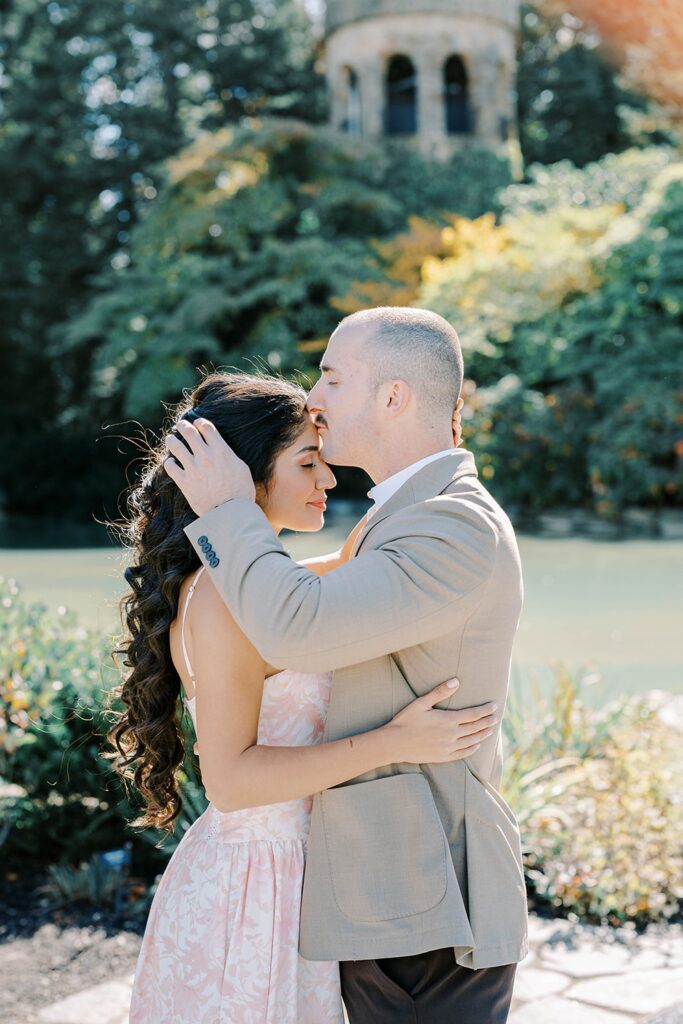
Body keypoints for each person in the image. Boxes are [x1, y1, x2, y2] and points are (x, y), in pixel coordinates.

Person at [164, 307, 529, 1024]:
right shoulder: (395, 520)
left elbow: (300, 626)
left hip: (425, 901)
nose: (316, 399)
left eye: (331, 376)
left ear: (392, 397)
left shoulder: (450, 523)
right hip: (364, 895)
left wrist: (228, 512)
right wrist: (229, 518)